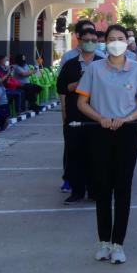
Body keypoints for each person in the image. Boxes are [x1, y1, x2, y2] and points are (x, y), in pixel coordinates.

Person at [77, 24, 137, 265]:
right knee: (102, 187)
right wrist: (100, 118)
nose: (116, 42)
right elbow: (82, 102)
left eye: (121, 38)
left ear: (127, 41)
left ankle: (118, 244)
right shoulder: (94, 69)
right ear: (105, 42)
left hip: (127, 133)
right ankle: (103, 242)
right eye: (112, 38)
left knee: (123, 188)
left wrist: (128, 119)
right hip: (100, 132)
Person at [58, 27, 104, 205]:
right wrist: (75, 85)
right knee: (75, 153)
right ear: (80, 41)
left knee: (96, 154)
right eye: (87, 40)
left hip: (97, 115)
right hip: (75, 115)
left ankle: (94, 191)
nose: (90, 43)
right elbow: (61, 87)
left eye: (94, 40)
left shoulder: (103, 62)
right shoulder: (71, 64)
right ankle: (77, 191)